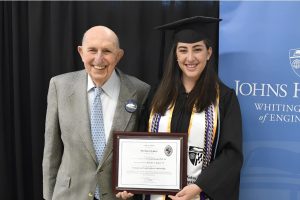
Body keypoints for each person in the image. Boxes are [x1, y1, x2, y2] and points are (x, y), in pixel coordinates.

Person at [117, 16, 243, 200]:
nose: (190, 58)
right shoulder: (157, 95)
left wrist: (199, 186)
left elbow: (231, 154)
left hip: (200, 194)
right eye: (183, 50)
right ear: (176, 55)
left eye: (197, 50)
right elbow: (141, 142)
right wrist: (130, 181)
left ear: (208, 53)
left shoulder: (224, 98)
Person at [42, 26, 150, 200]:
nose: (98, 59)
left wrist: (135, 184)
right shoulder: (59, 86)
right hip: (69, 194)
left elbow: (143, 148)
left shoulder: (139, 91)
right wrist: (47, 196)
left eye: (107, 51)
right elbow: (51, 151)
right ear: (81, 52)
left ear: (119, 55)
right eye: (92, 50)